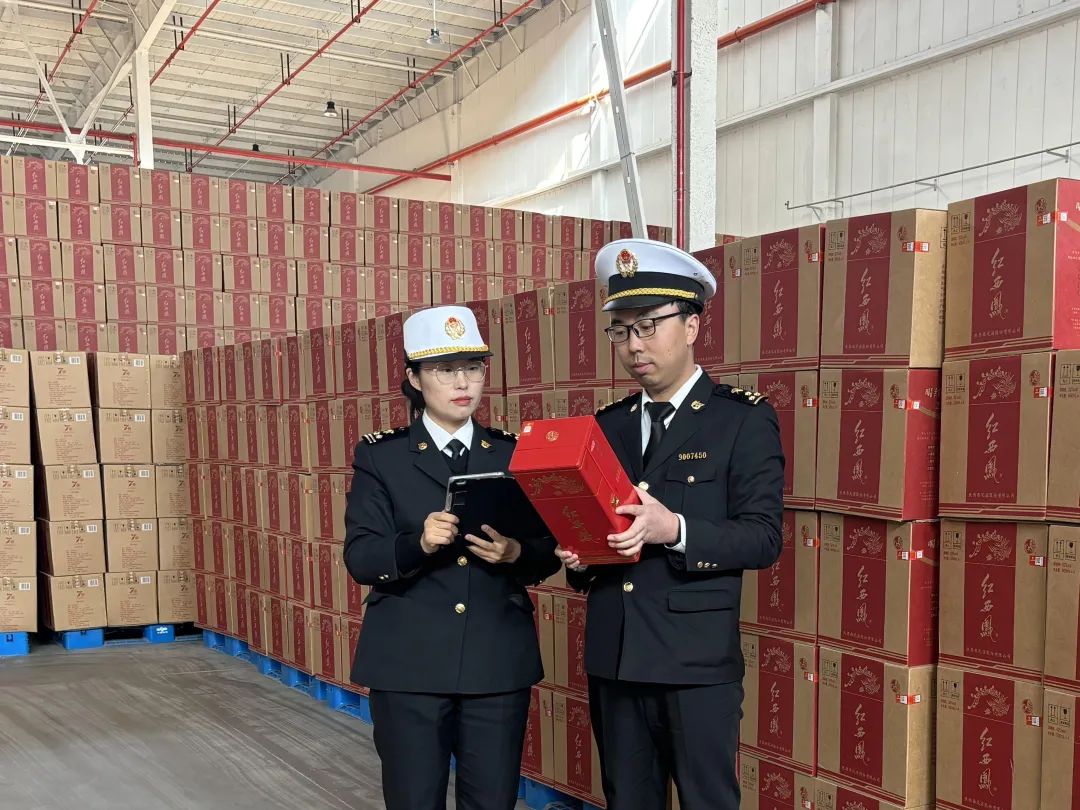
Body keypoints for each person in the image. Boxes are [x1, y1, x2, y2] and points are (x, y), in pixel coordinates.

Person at [556, 239, 785, 810]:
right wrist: (581, 556)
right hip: (616, 657)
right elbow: (598, 543)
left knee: (708, 801)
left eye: (649, 326)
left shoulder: (741, 420)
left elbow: (763, 537)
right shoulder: (606, 427)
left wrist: (675, 528)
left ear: (692, 325)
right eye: (621, 331)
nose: (635, 345)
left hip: (694, 664)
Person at [343, 305, 560, 810]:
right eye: (444, 370)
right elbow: (361, 556)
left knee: (493, 800)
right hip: (409, 663)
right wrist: (416, 544)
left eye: (473, 368)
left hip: (495, 660)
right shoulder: (382, 456)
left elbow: (548, 551)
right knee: (414, 799)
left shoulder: (514, 453)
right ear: (414, 379)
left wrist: (514, 552)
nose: (463, 382)